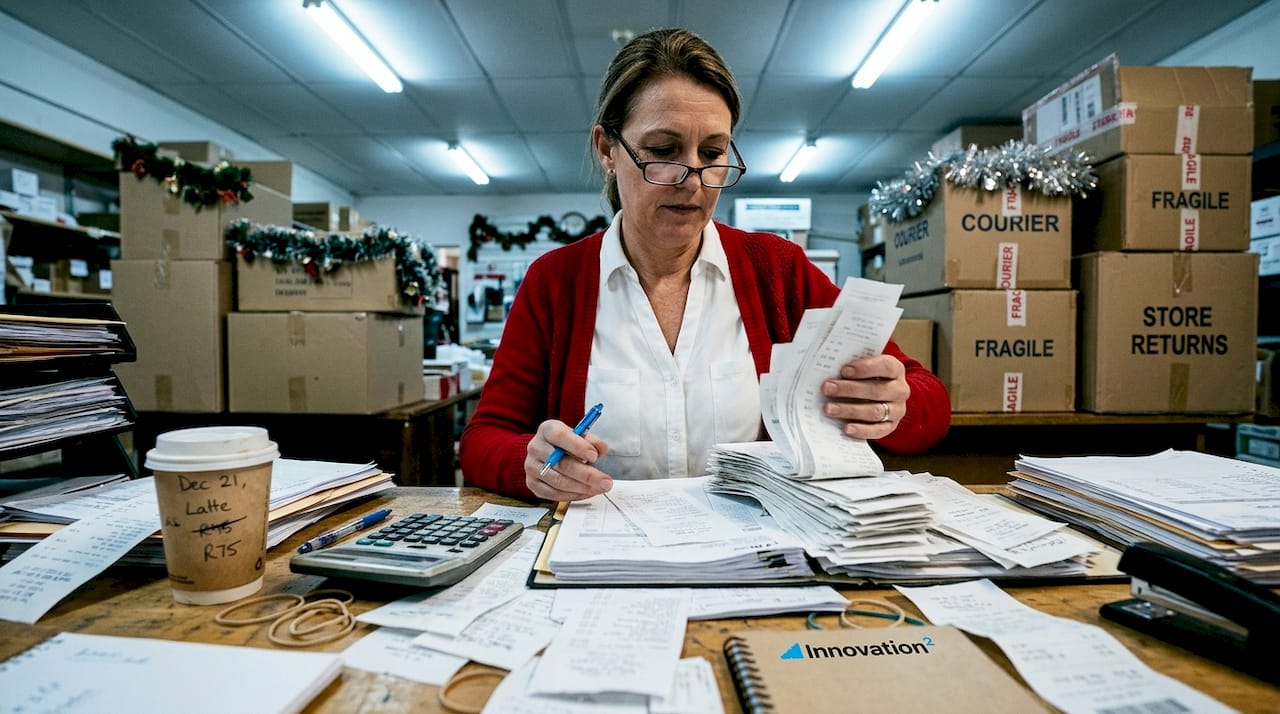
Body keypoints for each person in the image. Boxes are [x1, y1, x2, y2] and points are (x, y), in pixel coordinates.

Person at [460, 27, 950, 502]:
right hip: (605, 562)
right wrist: (528, 459)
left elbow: (929, 402)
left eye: (713, 152)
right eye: (663, 151)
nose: (694, 179)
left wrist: (892, 405)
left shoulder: (777, 271)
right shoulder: (556, 281)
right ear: (608, 150)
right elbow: (484, 438)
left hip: (756, 561)